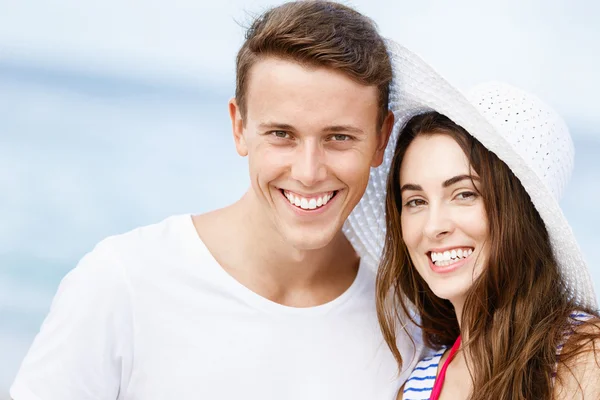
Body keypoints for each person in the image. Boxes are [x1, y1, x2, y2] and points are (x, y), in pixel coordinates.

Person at [10, 3, 424, 400]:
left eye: (339, 137)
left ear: (381, 139)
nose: (308, 171)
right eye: (282, 134)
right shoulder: (122, 283)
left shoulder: (407, 317)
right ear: (239, 127)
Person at [344, 41, 600, 399]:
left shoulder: (583, 357)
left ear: (518, 211)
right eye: (415, 200)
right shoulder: (416, 386)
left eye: (464, 194)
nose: (434, 227)